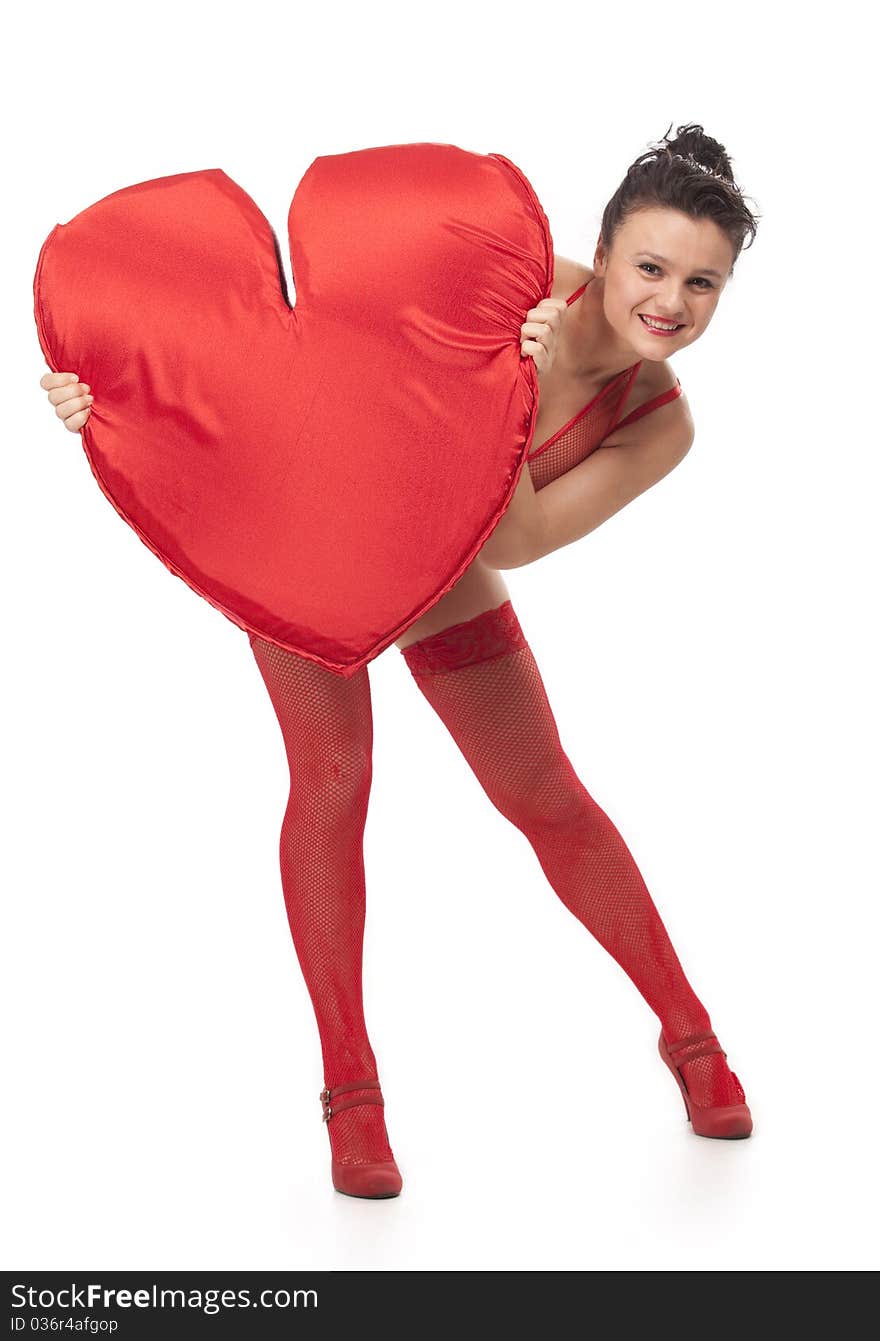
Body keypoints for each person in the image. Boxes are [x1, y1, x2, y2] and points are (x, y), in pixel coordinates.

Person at [39, 123, 760, 1200]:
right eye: (649, 268)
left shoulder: (658, 422)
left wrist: (510, 393)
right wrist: (109, 400)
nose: (669, 301)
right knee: (334, 780)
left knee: (544, 794)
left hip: (447, 559)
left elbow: (512, 538)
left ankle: (693, 1041)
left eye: (701, 284)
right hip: (301, 534)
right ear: (602, 253)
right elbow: (299, 335)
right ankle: (351, 1094)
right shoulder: (515, 279)